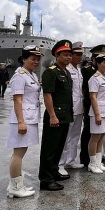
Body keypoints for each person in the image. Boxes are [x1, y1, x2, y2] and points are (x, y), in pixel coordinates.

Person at [6, 45, 43, 199]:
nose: (36, 62)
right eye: (32, 59)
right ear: (24, 59)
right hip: (23, 119)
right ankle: (15, 187)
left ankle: (16, 185)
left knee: (22, 152)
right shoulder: (20, 76)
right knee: (18, 154)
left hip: (29, 117)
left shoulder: (31, 75)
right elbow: (17, 100)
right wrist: (21, 122)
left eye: (38, 59)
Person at [38, 40, 74, 191]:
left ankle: (54, 172)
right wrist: (52, 115)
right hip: (55, 116)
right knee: (50, 148)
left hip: (65, 115)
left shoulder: (66, 72)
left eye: (69, 55)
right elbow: (47, 95)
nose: (68, 57)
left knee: (59, 146)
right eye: (65, 55)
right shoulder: (51, 72)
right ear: (56, 55)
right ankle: (46, 179)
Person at [58, 41, 86, 174]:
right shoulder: (66, 69)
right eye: (77, 54)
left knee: (75, 135)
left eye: (81, 54)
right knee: (65, 136)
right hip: (69, 108)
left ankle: (71, 160)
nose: (80, 57)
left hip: (79, 108)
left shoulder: (78, 70)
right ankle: (60, 163)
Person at [81, 44, 105, 167]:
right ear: (94, 60)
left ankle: (97, 158)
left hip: (102, 106)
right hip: (89, 104)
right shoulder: (87, 71)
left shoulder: (104, 73)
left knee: (101, 134)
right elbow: (88, 91)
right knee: (88, 132)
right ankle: (86, 157)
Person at [87, 53, 105, 174]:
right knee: (95, 138)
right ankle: (92, 163)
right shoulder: (94, 79)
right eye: (104, 62)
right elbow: (93, 97)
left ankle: (98, 162)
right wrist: (97, 114)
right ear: (97, 63)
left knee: (102, 137)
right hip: (98, 112)